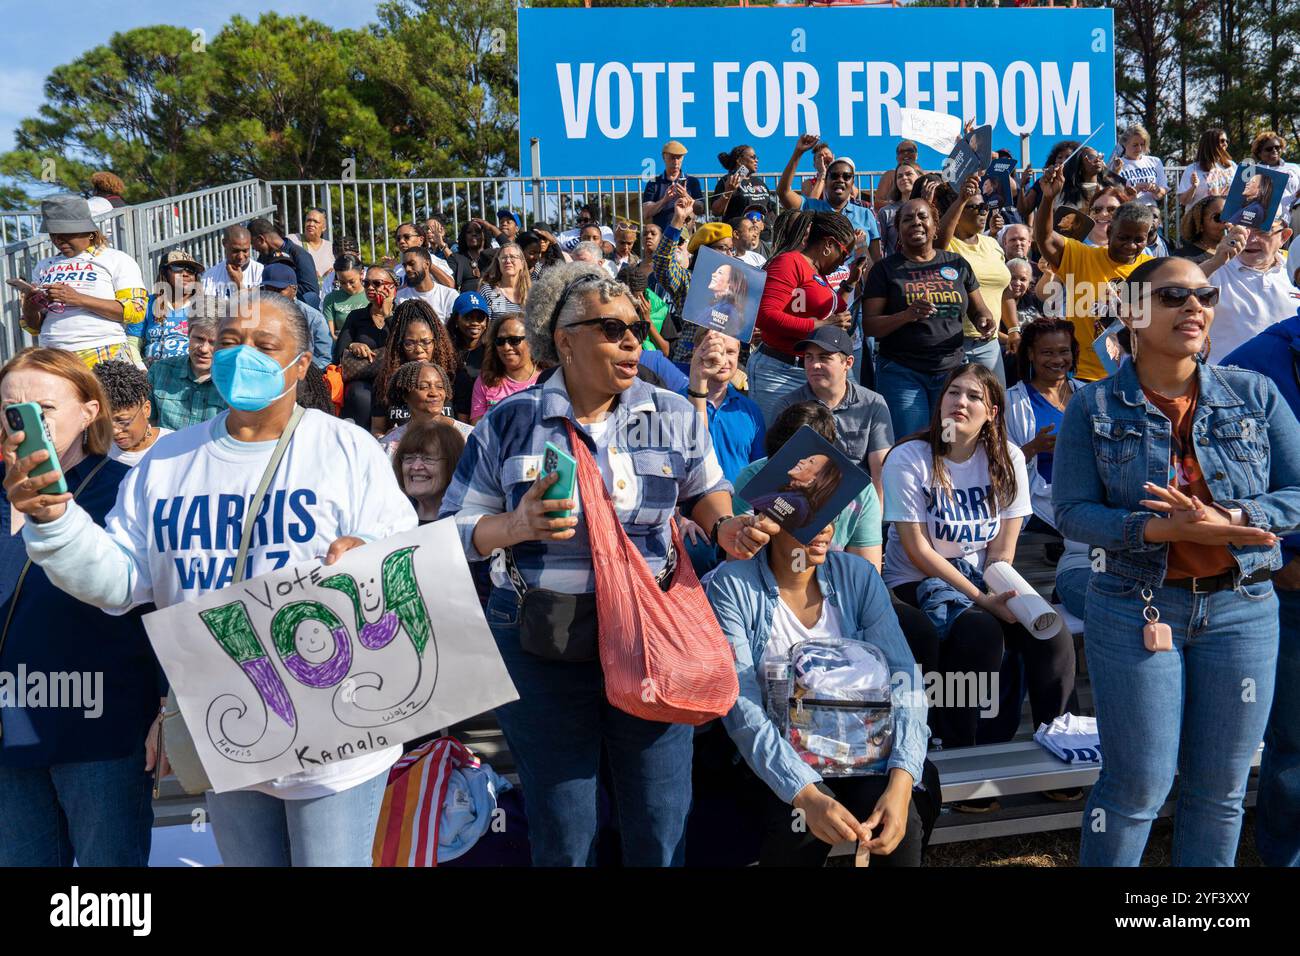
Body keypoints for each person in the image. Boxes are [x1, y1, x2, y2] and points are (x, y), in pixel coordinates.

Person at [8, 292, 420, 867]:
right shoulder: (166, 462)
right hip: (229, 727)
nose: (240, 355)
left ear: (301, 366)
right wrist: (55, 523)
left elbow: (400, 557)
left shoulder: (345, 448)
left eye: (262, 345)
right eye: (229, 342)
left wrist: (367, 554)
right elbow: (121, 582)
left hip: (337, 735)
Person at [438, 261, 778, 866]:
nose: (632, 341)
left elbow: (706, 490)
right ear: (563, 338)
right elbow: (452, 531)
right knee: (565, 830)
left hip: (654, 637)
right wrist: (515, 526)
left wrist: (725, 526)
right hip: (543, 644)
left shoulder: (674, 412)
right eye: (612, 328)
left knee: (659, 819)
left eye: (638, 328)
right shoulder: (508, 424)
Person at [1053, 256, 1300, 866]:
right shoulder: (1094, 406)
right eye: (1173, 296)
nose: (1195, 307)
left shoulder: (1254, 393)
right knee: (1137, 787)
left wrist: (1237, 521)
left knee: (1219, 792)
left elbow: (1296, 491)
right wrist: (1157, 528)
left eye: (1205, 295)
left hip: (1243, 609)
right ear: (1133, 313)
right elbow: (1074, 513)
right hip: (1136, 608)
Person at [0, 348, 165, 866]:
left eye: (44, 408)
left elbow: (158, 600)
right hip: (12, 729)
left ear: (89, 412)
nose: (28, 422)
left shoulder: (126, 491)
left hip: (103, 728)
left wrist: (167, 706)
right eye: (12, 410)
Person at [705, 520, 938, 867]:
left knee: (905, 815)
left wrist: (901, 781)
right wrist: (806, 793)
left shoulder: (856, 576)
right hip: (778, 754)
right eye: (809, 513)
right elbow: (742, 707)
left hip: (863, 749)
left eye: (832, 511)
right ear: (771, 516)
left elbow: (905, 680)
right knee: (797, 826)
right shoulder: (733, 585)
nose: (825, 528)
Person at [884, 364, 1074, 754]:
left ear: (993, 412)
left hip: (985, 575)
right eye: (953, 392)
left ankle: (1062, 743)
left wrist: (994, 590)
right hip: (914, 581)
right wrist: (980, 600)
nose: (960, 402)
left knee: (1053, 636)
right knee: (979, 631)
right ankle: (962, 752)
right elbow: (918, 550)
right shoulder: (909, 457)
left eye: (974, 396)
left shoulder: (1007, 457)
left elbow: (1003, 549)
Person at [1221, 311, 1300, 867]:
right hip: (1294, 585)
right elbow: (1224, 480)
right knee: (1296, 744)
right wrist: (1281, 559)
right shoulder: (1254, 364)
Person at [861, 197, 994, 438]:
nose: (916, 223)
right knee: (912, 443)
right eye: (907, 219)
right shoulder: (884, 270)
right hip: (902, 374)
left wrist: (985, 321)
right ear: (898, 231)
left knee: (950, 441)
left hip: (951, 374)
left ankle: (946, 479)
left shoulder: (956, 263)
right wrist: (906, 315)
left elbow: (979, 310)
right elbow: (869, 325)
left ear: (935, 226)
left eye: (923, 217)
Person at [1033, 164, 1153, 382]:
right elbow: (1045, 238)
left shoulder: (1153, 269)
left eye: (1139, 240)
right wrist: (1048, 199)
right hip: (1084, 375)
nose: (1131, 245)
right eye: (1123, 237)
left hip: (1135, 374)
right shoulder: (1082, 256)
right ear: (1110, 231)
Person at [751, 210, 857, 424]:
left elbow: (828, 310)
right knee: (777, 446)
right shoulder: (789, 263)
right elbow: (766, 315)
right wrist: (821, 325)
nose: (843, 261)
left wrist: (849, 285)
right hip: (780, 371)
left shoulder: (818, 274)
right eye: (844, 253)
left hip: (812, 370)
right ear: (828, 244)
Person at [21, 195, 147, 368]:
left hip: (104, 353)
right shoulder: (44, 266)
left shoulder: (116, 259)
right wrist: (30, 308)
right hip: (54, 358)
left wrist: (78, 299)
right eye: (54, 234)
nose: (59, 240)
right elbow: (34, 327)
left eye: (66, 233)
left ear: (89, 232)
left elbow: (136, 310)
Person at [772, 325, 892, 500]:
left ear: (848, 363)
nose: (814, 365)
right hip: (804, 502)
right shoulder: (787, 406)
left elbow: (880, 470)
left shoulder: (873, 403)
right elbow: (776, 467)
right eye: (809, 357)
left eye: (824, 358)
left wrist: (876, 521)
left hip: (858, 504)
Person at [1004, 319, 1079, 534]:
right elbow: (995, 466)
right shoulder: (1011, 402)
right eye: (1047, 353)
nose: (1057, 360)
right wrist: (1033, 448)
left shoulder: (1089, 395)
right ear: (1030, 354)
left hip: (1089, 496)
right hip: (1040, 502)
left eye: (1064, 351)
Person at [936, 175, 1014, 383]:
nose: (983, 212)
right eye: (975, 207)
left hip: (989, 343)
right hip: (952, 343)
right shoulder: (946, 244)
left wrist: (1013, 328)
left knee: (995, 407)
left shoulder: (993, 244)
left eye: (985, 207)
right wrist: (961, 199)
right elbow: (939, 238)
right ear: (958, 212)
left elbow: (1005, 291)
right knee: (952, 410)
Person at [1202, 216, 1297, 361]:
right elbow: (1174, 290)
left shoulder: (1294, 272)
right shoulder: (1214, 270)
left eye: (1262, 231)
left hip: (1286, 380)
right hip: (1227, 380)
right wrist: (1215, 262)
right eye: (1243, 230)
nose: (1250, 240)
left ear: (1284, 236)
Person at [777, 134, 882, 263]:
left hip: (857, 281)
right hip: (818, 281)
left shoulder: (865, 214)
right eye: (834, 176)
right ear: (825, 181)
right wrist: (798, 153)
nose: (840, 180)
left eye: (846, 176)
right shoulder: (811, 207)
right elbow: (783, 192)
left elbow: (877, 260)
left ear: (852, 181)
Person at [681, 330, 765, 484]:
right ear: (697, 352)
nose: (723, 360)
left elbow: (759, 469)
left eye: (730, 352)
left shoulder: (750, 411)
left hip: (738, 505)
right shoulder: (675, 403)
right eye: (716, 351)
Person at [370, 299, 458, 436]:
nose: (419, 350)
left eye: (426, 342)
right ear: (399, 344)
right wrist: (386, 439)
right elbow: (377, 428)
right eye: (410, 343)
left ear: (436, 342)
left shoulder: (451, 375)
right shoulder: (385, 381)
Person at [335, 265, 397, 424]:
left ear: (391, 287)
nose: (370, 287)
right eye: (366, 283)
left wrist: (388, 315)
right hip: (363, 377)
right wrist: (353, 345)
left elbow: (405, 345)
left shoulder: (402, 313)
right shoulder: (356, 316)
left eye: (377, 283)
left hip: (394, 377)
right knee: (359, 395)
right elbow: (339, 353)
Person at [378, 361, 472, 459]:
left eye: (440, 387)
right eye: (424, 387)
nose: (434, 393)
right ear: (405, 395)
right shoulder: (388, 444)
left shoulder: (469, 437)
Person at [146, 318, 226, 430]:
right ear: (188, 334)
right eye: (199, 339)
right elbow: (146, 423)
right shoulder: (160, 371)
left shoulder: (233, 383)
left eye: (213, 342)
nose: (203, 349)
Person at [130, 249, 206, 365]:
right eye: (178, 268)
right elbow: (132, 343)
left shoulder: (205, 306)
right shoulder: (146, 304)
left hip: (190, 373)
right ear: (164, 273)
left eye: (191, 270)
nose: (185, 274)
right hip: (152, 373)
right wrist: (141, 370)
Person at [93, 360, 172, 467]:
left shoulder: (173, 445)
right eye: (104, 421)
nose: (114, 431)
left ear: (146, 409)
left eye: (123, 421)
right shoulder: (98, 448)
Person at [258, 263, 334, 370]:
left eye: (279, 290)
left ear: (294, 289)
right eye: (268, 289)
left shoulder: (314, 318)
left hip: (304, 375)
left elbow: (325, 359)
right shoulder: (258, 316)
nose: (273, 294)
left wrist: (297, 372)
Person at [392, 419, 466, 524]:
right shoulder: (390, 520)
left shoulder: (467, 522)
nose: (416, 467)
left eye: (428, 459)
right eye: (409, 458)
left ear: (452, 464)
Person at [471, 315, 539, 424]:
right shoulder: (486, 380)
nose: (506, 347)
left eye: (514, 340)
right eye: (500, 341)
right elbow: (477, 428)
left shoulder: (548, 380)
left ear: (531, 341)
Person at [247, 218, 320, 308]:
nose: (253, 248)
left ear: (261, 239)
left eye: (252, 244)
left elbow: (310, 290)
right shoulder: (263, 258)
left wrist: (281, 288)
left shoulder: (299, 254)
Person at [641, 139, 705, 230]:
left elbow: (701, 210)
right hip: (661, 237)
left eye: (678, 158)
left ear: (682, 158)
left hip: (685, 237)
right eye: (672, 157)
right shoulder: (653, 183)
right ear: (664, 157)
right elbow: (646, 213)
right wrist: (664, 200)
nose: (675, 162)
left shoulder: (692, 182)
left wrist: (685, 195)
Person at [448, 291, 491, 422]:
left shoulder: (492, 352)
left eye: (480, 318)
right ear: (456, 319)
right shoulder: (445, 351)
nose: (475, 323)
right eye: (468, 317)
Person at [1017, 140, 1079, 222]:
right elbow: (1023, 211)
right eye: (1059, 157)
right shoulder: (1042, 182)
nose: (1062, 160)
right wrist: (1022, 186)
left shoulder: (1080, 182)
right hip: (1044, 232)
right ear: (1054, 160)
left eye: (1068, 157)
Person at [200, 225, 264, 301]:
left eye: (245, 251)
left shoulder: (262, 273)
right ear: (224, 244)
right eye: (235, 251)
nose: (240, 256)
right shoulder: (209, 277)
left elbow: (262, 309)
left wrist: (239, 283)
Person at [395, 246, 459, 321]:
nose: (407, 269)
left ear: (427, 264)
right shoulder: (400, 296)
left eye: (412, 264)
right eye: (404, 265)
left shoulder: (449, 295)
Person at [711, 144, 771, 222]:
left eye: (757, 157)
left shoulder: (760, 182)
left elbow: (770, 210)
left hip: (764, 231)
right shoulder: (728, 180)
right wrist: (728, 192)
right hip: (740, 231)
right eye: (753, 157)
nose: (756, 160)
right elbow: (716, 211)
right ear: (739, 161)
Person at [1112, 125, 1168, 207]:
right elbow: (1112, 196)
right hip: (1127, 211)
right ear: (1124, 144)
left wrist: (1156, 189)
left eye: (1142, 144)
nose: (1139, 148)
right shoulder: (1117, 164)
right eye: (1135, 145)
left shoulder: (1155, 161)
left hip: (1151, 210)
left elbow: (1163, 192)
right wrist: (1135, 190)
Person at [1179, 129, 1238, 206]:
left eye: (1227, 141)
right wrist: (1194, 187)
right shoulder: (1192, 169)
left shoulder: (1231, 165)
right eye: (1222, 141)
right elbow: (1183, 201)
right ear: (1210, 144)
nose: (1226, 144)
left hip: (1227, 215)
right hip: (1201, 216)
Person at [1252, 130, 1300, 220]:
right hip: (1265, 220)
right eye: (1269, 149)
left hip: (1295, 217)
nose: (1274, 150)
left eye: (1277, 147)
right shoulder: (1253, 171)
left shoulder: (1294, 167)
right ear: (1259, 152)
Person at [877, 161, 923, 257]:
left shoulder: (930, 208)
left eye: (909, 174)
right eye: (899, 176)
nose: (904, 178)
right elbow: (880, 247)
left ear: (919, 177)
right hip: (895, 268)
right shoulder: (886, 212)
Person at [479, 242, 529, 320]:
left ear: (522, 263)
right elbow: (483, 325)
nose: (508, 261)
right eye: (503, 257)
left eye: (513, 257)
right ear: (498, 263)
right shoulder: (490, 291)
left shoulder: (531, 293)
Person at [320, 253, 367, 336]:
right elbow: (330, 335)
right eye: (342, 282)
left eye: (352, 282)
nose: (348, 286)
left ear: (361, 274)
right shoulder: (331, 299)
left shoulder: (371, 295)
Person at [1174, 195, 1228, 263]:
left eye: (1230, 216)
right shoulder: (1183, 259)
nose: (1227, 222)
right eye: (1218, 217)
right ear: (1200, 224)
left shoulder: (1241, 254)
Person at [286, 207, 334, 284]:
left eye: (316, 222)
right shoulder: (293, 240)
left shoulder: (331, 247)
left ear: (324, 227)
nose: (311, 224)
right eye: (308, 220)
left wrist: (332, 274)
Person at [876, 140, 920, 205]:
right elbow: (878, 202)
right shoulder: (889, 175)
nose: (906, 154)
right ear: (897, 157)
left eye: (910, 150)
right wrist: (897, 206)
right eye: (902, 152)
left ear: (916, 155)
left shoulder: (924, 175)